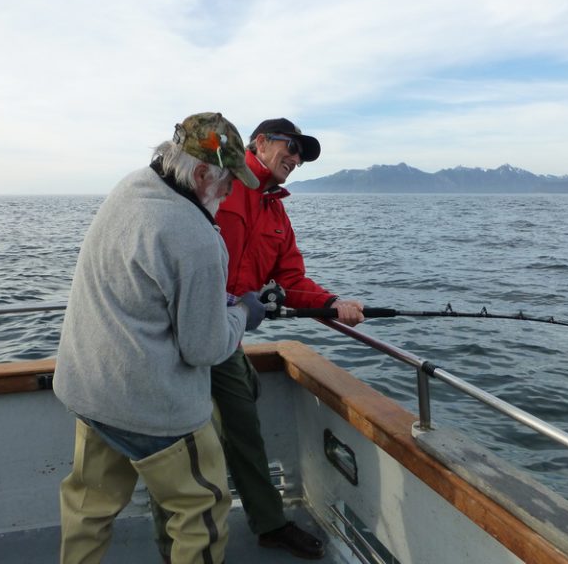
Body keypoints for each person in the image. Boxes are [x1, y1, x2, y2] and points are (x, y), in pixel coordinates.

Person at [53, 112, 267, 564]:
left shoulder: (130, 187)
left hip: (90, 389)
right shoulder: (198, 238)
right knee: (202, 509)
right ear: (203, 174)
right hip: (152, 406)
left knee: (88, 508)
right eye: (229, 181)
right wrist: (244, 313)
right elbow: (205, 348)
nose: (230, 194)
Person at [213, 118, 364, 558]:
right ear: (260, 142)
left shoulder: (277, 212)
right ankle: (189, 535)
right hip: (180, 334)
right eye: (292, 147)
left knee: (245, 417)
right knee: (187, 441)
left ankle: (269, 523)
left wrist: (332, 304)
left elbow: (292, 280)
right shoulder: (218, 183)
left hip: (226, 338)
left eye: (302, 155)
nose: (296, 159)